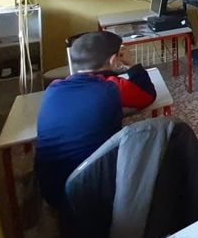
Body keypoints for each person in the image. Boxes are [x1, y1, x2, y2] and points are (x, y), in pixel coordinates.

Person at [36, 31, 156, 209]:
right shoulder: (113, 87)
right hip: (95, 192)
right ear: (114, 60)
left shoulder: (53, 88)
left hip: (51, 191)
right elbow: (147, 95)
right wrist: (133, 65)